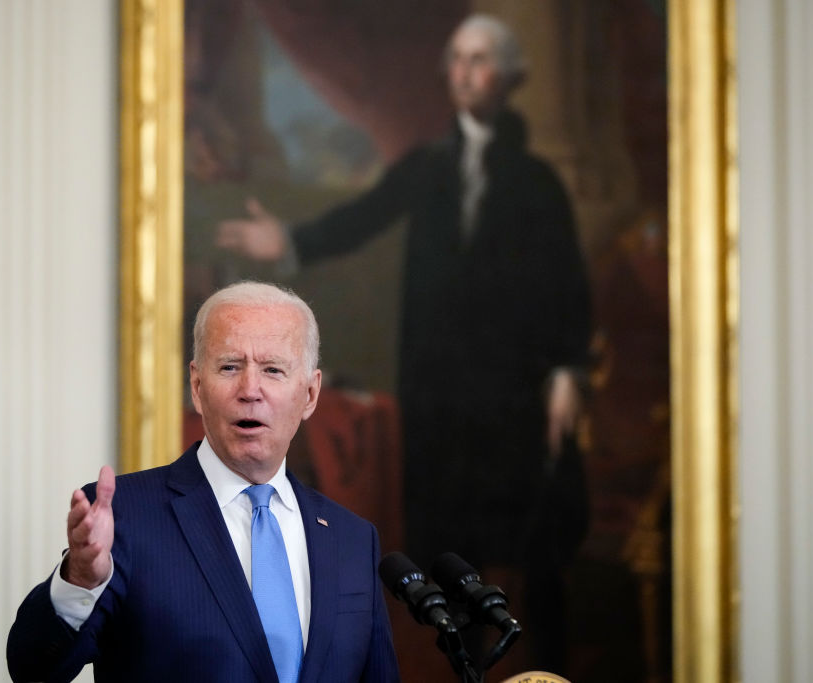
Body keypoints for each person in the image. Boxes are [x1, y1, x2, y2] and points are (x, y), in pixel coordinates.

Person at [217, 14, 590, 673]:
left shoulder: (537, 183)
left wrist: (565, 370)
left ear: (508, 78)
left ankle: (544, 665)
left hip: (514, 390)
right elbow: (363, 219)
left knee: (532, 538)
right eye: (457, 60)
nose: (466, 72)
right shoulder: (428, 166)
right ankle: (461, 665)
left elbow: (566, 282)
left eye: (480, 59)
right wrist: (290, 243)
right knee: (449, 535)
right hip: (440, 386)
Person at [7, 281, 400, 682]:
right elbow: (33, 669)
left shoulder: (352, 539)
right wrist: (79, 582)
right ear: (197, 387)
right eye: (230, 366)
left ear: (311, 394)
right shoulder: (125, 517)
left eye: (273, 370)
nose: (250, 390)